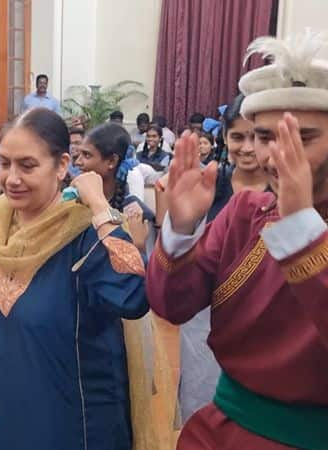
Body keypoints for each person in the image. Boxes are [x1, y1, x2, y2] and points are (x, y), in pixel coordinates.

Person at [0, 107, 154, 450]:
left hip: (77, 426)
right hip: (4, 419)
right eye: (4, 163)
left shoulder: (84, 237)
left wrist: (100, 206)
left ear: (62, 166)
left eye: (27, 166)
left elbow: (133, 297)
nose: (11, 178)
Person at [147, 31, 328, 450]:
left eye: (301, 139)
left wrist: (301, 227)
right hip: (216, 432)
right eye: (265, 137)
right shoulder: (246, 212)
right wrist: (180, 229)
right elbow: (171, 306)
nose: (274, 155)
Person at [155, 93, 269, 426]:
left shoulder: (289, 191)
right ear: (224, 137)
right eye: (238, 137)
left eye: (257, 136)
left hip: (264, 313)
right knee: (202, 394)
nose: (247, 147)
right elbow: (175, 242)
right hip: (203, 308)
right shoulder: (209, 182)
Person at [74, 123, 154, 253]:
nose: (78, 162)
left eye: (87, 155)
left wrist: (138, 247)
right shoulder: (76, 203)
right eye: (79, 154)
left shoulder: (135, 213)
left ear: (111, 161)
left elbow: (147, 266)